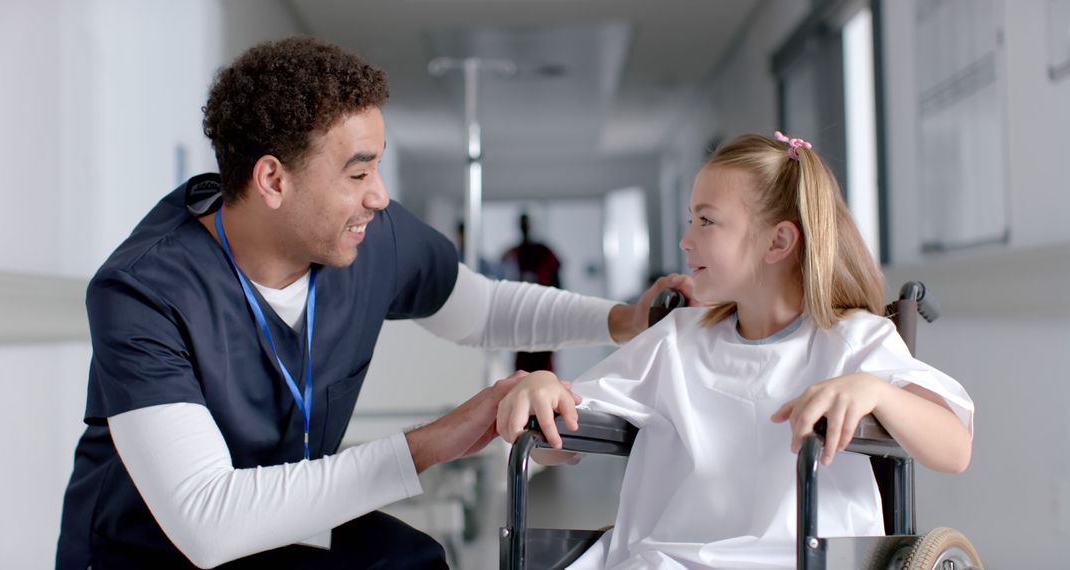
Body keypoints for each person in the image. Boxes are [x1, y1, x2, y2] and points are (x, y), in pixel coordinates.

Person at [55, 36, 694, 569]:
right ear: (273, 179)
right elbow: (206, 521)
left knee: (408, 561)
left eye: (378, 168)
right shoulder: (143, 292)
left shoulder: (369, 239)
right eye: (357, 174)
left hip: (283, 525)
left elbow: (482, 307)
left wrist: (621, 320)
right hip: (149, 550)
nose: (381, 196)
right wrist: (434, 443)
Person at [496, 132, 974, 569]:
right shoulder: (675, 342)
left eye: (707, 221)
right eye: (691, 220)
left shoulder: (853, 341)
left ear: (778, 241)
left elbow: (954, 449)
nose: (686, 239)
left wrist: (875, 392)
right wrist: (542, 390)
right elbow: (555, 449)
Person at [500, 212, 564, 372]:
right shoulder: (513, 254)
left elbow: (557, 283)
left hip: (544, 314)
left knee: (543, 362)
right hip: (522, 316)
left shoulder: (544, 253)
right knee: (523, 363)